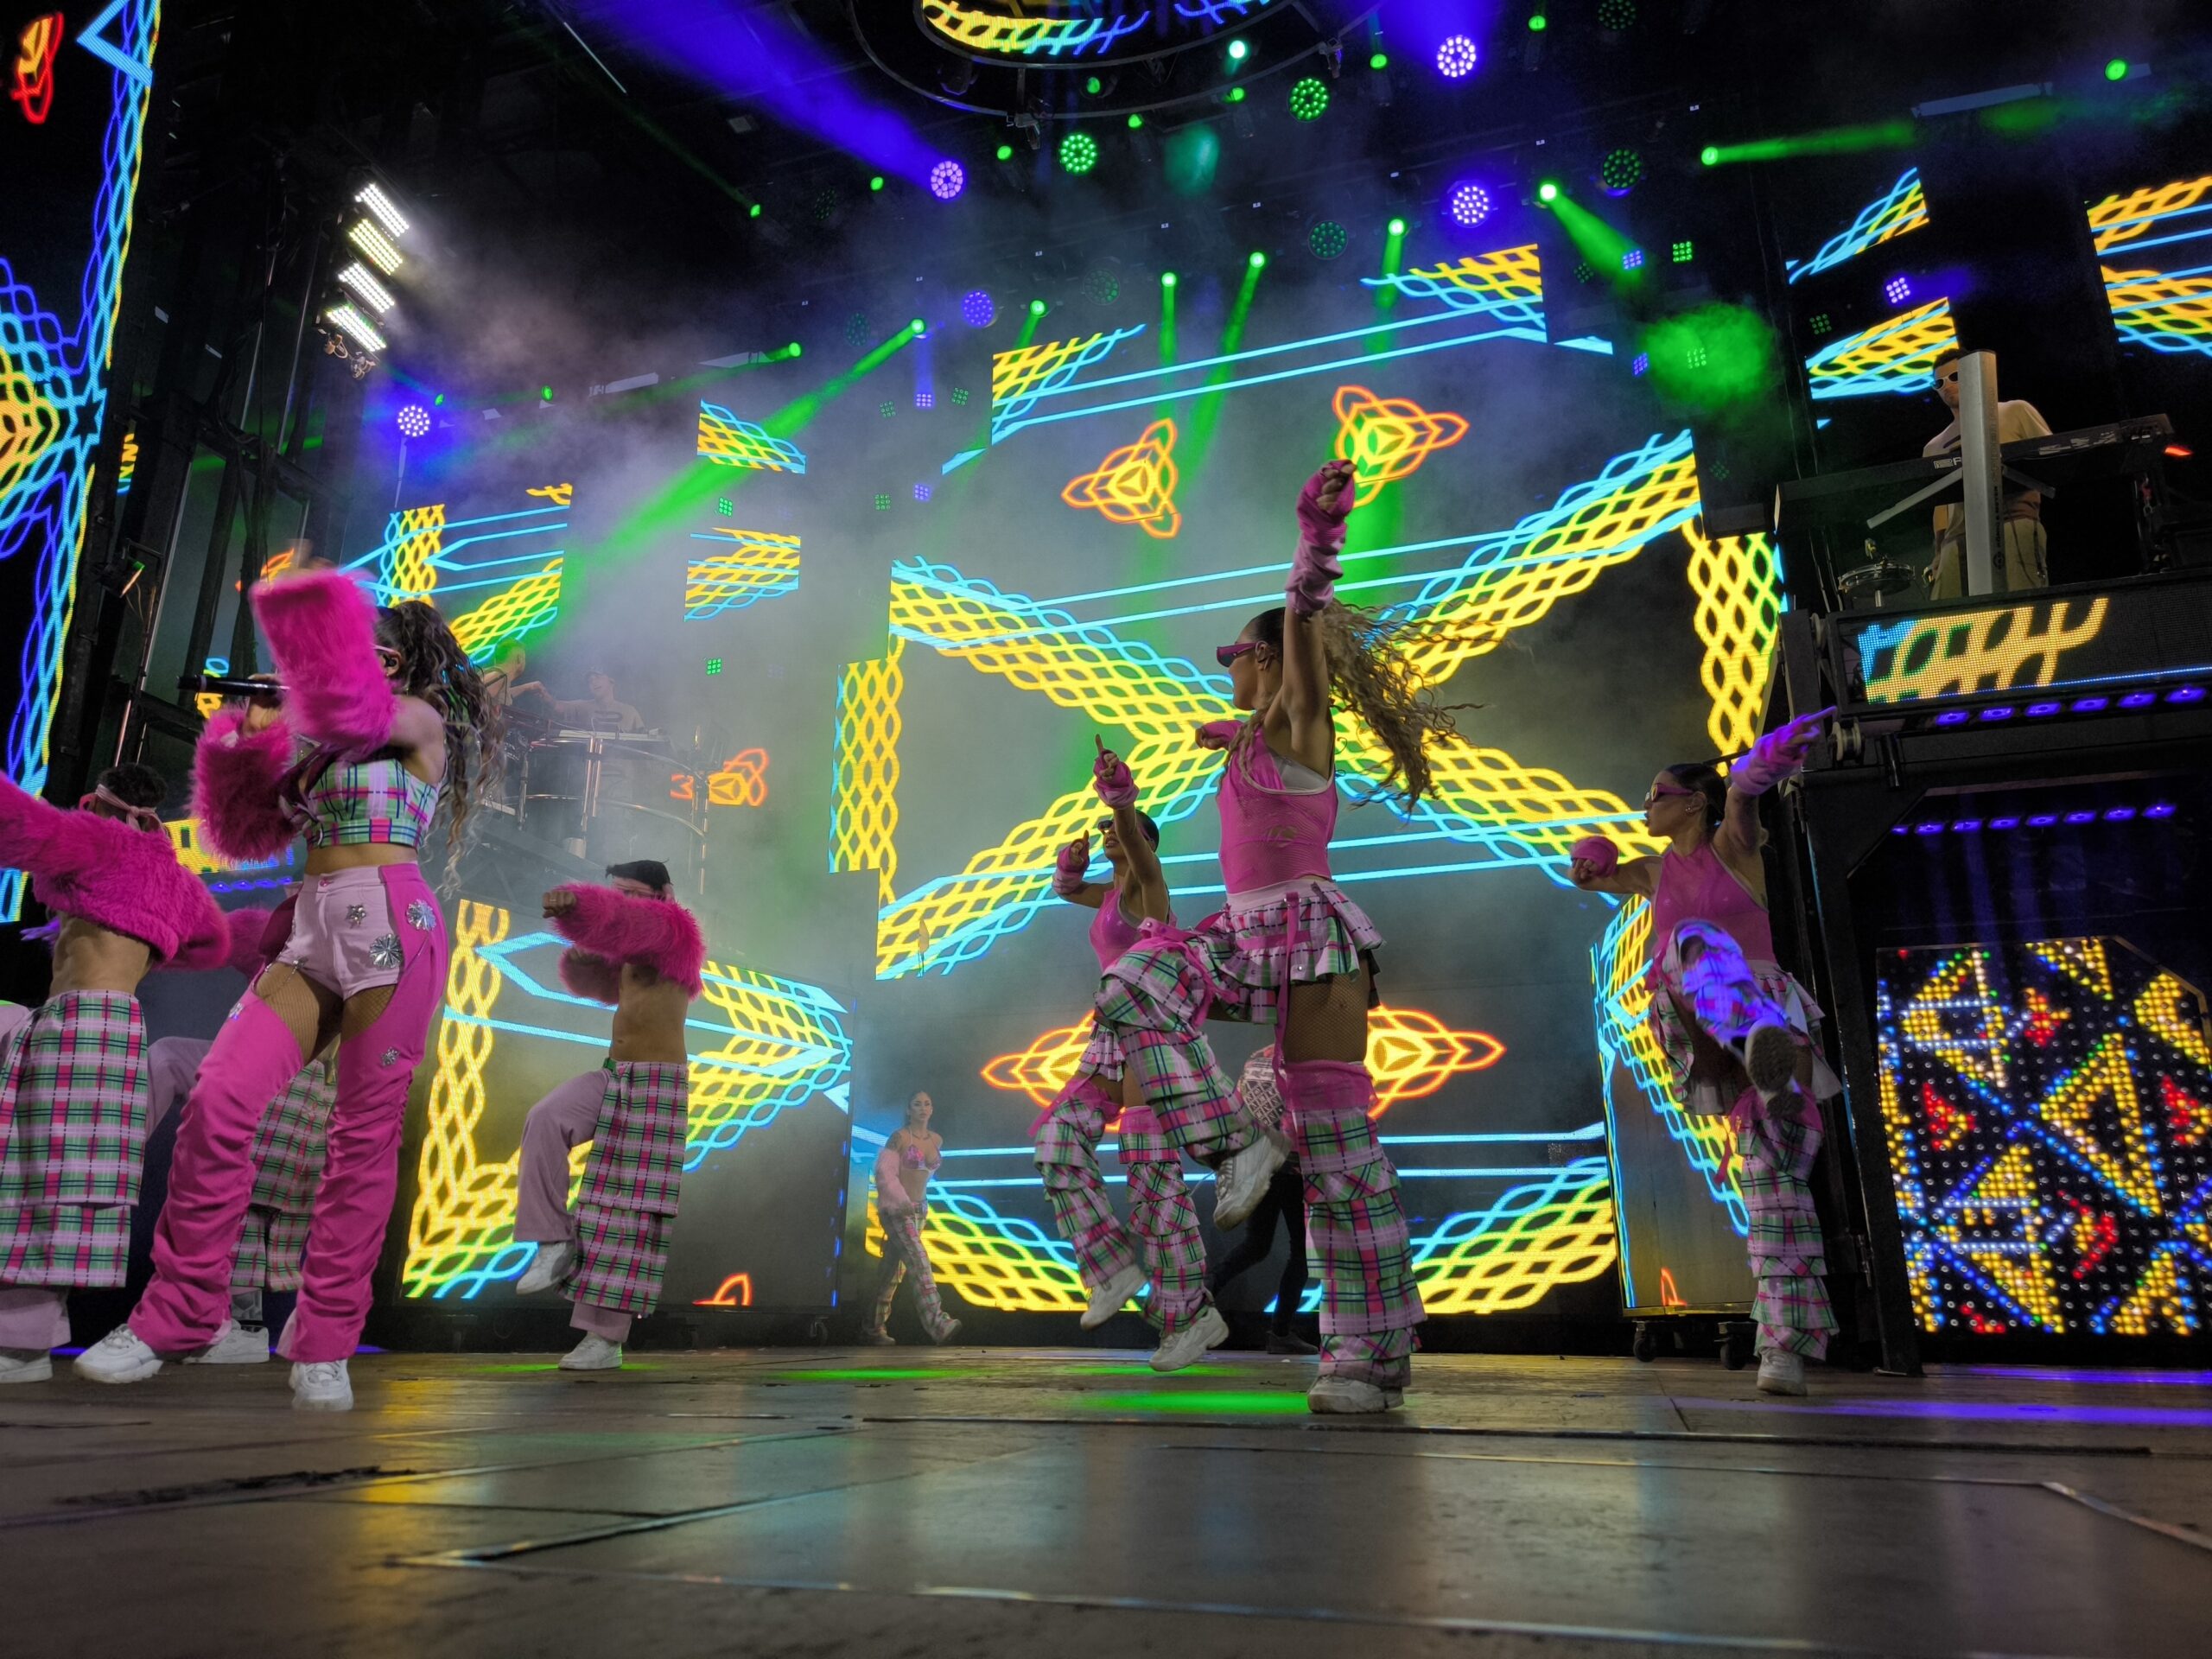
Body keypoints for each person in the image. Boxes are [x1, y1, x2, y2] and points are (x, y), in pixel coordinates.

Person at [79, 565, 498, 1411]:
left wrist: (300, 677)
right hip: (310, 926)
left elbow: (354, 713)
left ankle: (326, 1340)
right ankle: (177, 1314)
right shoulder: (317, 752)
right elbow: (241, 833)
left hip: (393, 926)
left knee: (362, 1137)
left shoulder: (416, 720)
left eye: (367, 652)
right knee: (218, 1102)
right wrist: (243, 740)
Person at [1091, 459, 1451, 1414]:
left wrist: (1314, 541)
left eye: (1237, 656)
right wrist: (1127, 802)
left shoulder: (1297, 725)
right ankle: (1231, 1146)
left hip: (1313, 937)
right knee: (1135, 985)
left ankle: (1367, 1351)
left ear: (1268, 661)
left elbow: (1301, 625)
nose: (1231, 668)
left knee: (1336, 1152)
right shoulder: (1251, 743)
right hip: (1242, 936)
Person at [1567, 709, 1840, 1395]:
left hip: (1754, 1001)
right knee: (1776, 1199)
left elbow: (1744, 800)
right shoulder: (1654, 872)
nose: (1646, 805)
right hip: (1708, 1031)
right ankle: (1786, 1345)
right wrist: (1588, 860)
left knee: (1775, 1188)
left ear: (1694, 801)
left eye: (1657, 794)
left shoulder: (1731, 847)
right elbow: (1593, 879)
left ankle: (1783, 1350)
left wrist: (1754, 771)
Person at [0, 763, 225, 1385]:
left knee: (45, 1180)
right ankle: (24, 1340)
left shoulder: (98, 842)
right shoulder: (170, 877)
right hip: (117, 1028)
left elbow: (15, 823)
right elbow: (212, 941)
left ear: (101, 804)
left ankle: (23, 1348)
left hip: (79, 1023)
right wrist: (146, 937)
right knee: (66, 1181)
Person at [1033, 740, 1227, 1371]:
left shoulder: (1147, 885)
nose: (1110, 840)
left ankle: (1188, 1312)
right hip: (1110, 1032)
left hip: (1148, 1027)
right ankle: (1111, 1269)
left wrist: (1119, 803)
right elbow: (1067, 892)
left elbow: (1135, 842)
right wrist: (1071, 864)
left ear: (1142, 841)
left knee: (1149, 1171)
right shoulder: (1112, 893)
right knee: (1059, 1139)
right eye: (1108, 835)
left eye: (1119, 835)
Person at [511, 859, 703, 1370]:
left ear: (664, 894)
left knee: (629, 1208)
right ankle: (552, 1238)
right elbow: (604, 984)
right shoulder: (635, 946)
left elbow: (622, 922)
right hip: (615, 1075)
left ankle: (605, 1340)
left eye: (634, 893)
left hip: (658, 1085)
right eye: (617, 893)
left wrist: (582, 909)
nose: (626, 901)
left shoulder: (673, 930)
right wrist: (583, 958)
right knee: (546, 1117)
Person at [142, 897, 339, 1365]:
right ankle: (121, 1151)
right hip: (269, 1071)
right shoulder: (277, 940)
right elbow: (216, 940)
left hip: (297, 1077)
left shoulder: (342, 952)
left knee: (252, 1201)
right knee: (168, 1054)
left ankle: (245, 1327)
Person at [1205, 1048, 1313, 1355]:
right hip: (1290, 1165)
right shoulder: (1298, 1061)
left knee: (1256, 1246)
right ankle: (1280, 1332)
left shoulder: (1255, 1057)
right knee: (1301, 1252)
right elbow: (1302, 1117)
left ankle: (1201, 1295)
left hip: (1257, 1163)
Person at [1923, 346, 2052, 599]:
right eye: (1939, 382)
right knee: (1950, 616)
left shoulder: (2015, 411)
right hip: (1956, 539)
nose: (1947, 386)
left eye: (1955, 377)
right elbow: (1940, 507)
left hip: (2013, 520)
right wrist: (1939, 551)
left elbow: (2052, 459)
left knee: (2022, 605)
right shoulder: (1934, 446)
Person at [861, 1091, 962, 1345]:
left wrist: (916, 1204)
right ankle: (938, 1323)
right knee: (919, 1262)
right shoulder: (899, 1137)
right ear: (909, 1109)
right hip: (897, 1210)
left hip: (919, 1210)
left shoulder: (936, 1139)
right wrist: (901, 1201)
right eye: (917, 1104)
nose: (923, 1108)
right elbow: (884, 1172)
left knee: (892, 1272)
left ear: (932, 1109)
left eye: (927, 1103)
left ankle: (872, 1329)